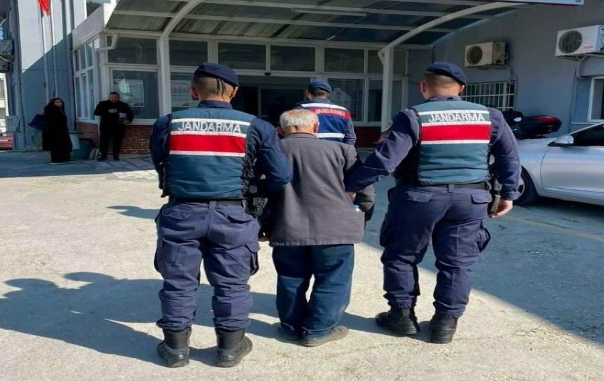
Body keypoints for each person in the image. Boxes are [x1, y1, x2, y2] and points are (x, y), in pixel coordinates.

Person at [344, 62, 520, 344]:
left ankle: (401, 317)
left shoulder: (413, 116)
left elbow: (385, 161)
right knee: (457, 263)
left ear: (423, 86)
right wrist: (508, 194)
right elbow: (509, 157)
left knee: (401, 256)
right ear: (461, 88)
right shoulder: (491, 116)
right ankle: (445, 325)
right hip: (471, 199)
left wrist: (351, 187)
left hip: (418, 198)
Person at [149, 62, 290, 369]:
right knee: (231, 285)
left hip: (181, 212)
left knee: (178, 282)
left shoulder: (168, 123)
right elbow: (280, 176)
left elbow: (160, 162)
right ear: (234, 91)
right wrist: (254, 192)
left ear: (193, 90)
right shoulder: (257, 126)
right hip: (233, 213)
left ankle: (175, 350)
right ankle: (229, 349)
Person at [267, 109, 374, 347]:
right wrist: (361, 213)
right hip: (336, 228)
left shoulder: (272, 152)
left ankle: (291, 328)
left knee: (290, 278)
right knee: (333, 279)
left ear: (280, 129)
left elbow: (258, 192)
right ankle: (318, 330)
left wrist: (262, 225)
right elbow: (364, 188)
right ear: (315, 128)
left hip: (287, 226)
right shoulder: (342, 150)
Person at [296, 79, 356, 145]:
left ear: (307, 92)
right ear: (328, 94)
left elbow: (293, 134)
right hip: (335, 150)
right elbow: (350, 138)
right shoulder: (344, 112)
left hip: (309, 150)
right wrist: (343, 150)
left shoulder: (301, 109)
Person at [93, 92, 133, 161]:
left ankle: (116, 156)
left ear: (118, 97)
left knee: (117, 142)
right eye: (112, 97)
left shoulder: (123, 105)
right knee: (104, 142)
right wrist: (107, 111)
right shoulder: (103, 104)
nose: (114, 99)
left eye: (116, 97)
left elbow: (130, 114)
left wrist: (128, 120)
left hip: (118, 126)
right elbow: (96, 113)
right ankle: (103, 156)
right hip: (106, 126)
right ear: (109, 97)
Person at [43, 98, 72, 164]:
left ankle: (63, 158)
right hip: (54, 132)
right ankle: (56, 159)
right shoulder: (51, 110)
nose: (60, 104)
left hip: (61, 131)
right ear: (53, 103)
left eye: (61, 102)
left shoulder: (60, 110)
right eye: (57, 102)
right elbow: (53, 121)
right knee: (56, 145)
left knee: (63, 145)